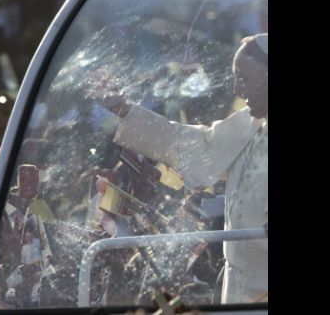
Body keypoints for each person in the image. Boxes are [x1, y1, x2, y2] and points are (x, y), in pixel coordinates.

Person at [101, 34, 268, 304]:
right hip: (238, 286)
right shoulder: (249, 125)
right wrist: (125, 110)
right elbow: (191, 145)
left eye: (243, 78)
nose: (237, 90)